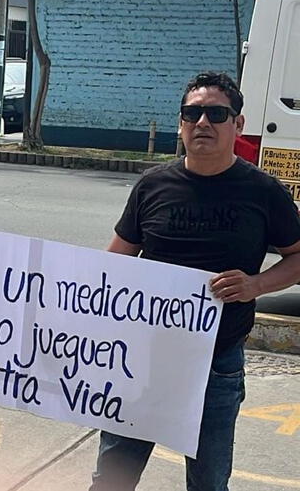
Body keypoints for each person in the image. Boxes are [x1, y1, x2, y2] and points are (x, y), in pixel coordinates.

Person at [89, 72, 300, 491]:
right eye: (192, 113)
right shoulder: (153, 185)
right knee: (111, 480)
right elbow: (115, 261)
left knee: (208, 484)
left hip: (217, 365)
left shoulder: (262, 192)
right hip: (143, 362)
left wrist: (255, 285)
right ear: (181, 122)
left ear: (237, 125)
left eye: (216, 113)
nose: (202, 122)